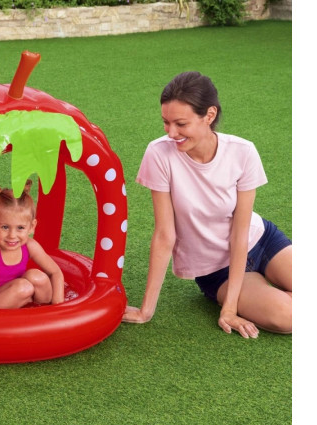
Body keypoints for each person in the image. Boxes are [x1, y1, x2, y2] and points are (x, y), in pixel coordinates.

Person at [123, 72, 292, 338]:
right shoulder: (159, 154)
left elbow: (240, 231)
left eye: (181, 123)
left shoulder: (243, 151)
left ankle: (260, 289)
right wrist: (146, 311)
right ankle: (259, 290)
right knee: (289, 317)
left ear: (209, 115)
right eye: (166, 122)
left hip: (260, 240)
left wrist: (231, 307)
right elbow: (165, 235)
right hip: (216, 269)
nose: (171, 132)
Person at [0, 179, 65, 309]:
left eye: (20, 228)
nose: (12, 235)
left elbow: (56, 272)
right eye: (5, 227)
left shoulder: (30, 246)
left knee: (38, 277)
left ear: (32, 226)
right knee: (24, 287)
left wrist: (59, 307)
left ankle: (43, 313)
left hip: (20, 296)